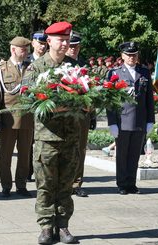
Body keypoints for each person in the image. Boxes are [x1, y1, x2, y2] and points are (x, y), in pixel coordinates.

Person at [24, 21, 79, 244]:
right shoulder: (36, 68)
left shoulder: (74, 67)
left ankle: (63, 226)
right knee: (45, 185)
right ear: (49, 42)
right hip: (47, 138)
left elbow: (86, 95)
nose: (65, 43)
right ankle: (46, 227)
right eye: (60, 39)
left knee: (66, 185)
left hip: (70, 137)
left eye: (67, 39)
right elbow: (28, 100)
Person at [106, 41, 155, 195]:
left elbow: (149, 99)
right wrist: (112, 122)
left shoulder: (144, 72)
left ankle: (131, 183)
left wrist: (150, 120)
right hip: (122, 120)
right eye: (128, 55)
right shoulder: (115, 73)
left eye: (134, 55)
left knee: (134, 155)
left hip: (140, 121)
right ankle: (121, 184)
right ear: (122, 56)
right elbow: (110, 100)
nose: (132, 57)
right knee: (122, 155)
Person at [0, 36, 33, 197]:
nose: (26, 52)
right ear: (13, 49)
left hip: (27, 119)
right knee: (5, 155)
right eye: (23, 49)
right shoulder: (2, 69)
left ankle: (21, 185)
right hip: (8, 120)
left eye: (27, 49)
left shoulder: (31, 68)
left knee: (24, 155)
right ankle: (6, 185)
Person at [65, 31, 94, 198]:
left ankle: (77, 183)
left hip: (83, 114)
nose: (74, 49)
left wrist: (93, 114)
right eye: (71, 46)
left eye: (76, 46)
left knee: (80, 149)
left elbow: (92, 91)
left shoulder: (84, 66)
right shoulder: (61, 65)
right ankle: (65, 182)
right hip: (65, 114)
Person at [26, 30, 48, 183]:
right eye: (39, 43)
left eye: (44, 43)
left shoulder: (50, 61)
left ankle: (42, 172)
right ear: (32, 43)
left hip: (46, 109)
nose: (42, 46)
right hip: (30, 109)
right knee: (27, 143)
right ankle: (26, 172)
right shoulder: (26, 61)